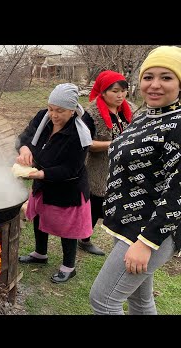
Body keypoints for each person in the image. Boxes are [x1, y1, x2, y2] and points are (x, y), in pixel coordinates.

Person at [90, 46, 181, 314]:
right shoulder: (144, 117)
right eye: (148, 76)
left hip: (151, 231)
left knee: (104, 301)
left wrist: (146, 243)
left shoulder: (178, 124)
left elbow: (177, 192)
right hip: (128, 224)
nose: (154, 85)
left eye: (166, 77)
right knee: (140, 301)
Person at [16, 83, 93, 283]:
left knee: (68, 227)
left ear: (73, 110)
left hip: (68, 187)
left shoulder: (80, 133)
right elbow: (25, 136)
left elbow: (70, 168)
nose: (53, 115)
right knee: (40, 216)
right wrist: (24, 149)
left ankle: (69, 266)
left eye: (60, 111)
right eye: (51, 108)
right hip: (42, 181)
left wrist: (41, 174)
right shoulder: (43, 117)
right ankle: (40, 254)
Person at [79, 70, 135, 256]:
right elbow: (86, 143)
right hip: (98, 169)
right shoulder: (92, 115)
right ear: (103, 92)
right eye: (115, 91)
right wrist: (114, 144)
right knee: (94, 205)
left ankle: (122, 242)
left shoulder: (129, 111)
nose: (120, 95)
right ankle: (84, 239)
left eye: (123, 91)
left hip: (123, 169)